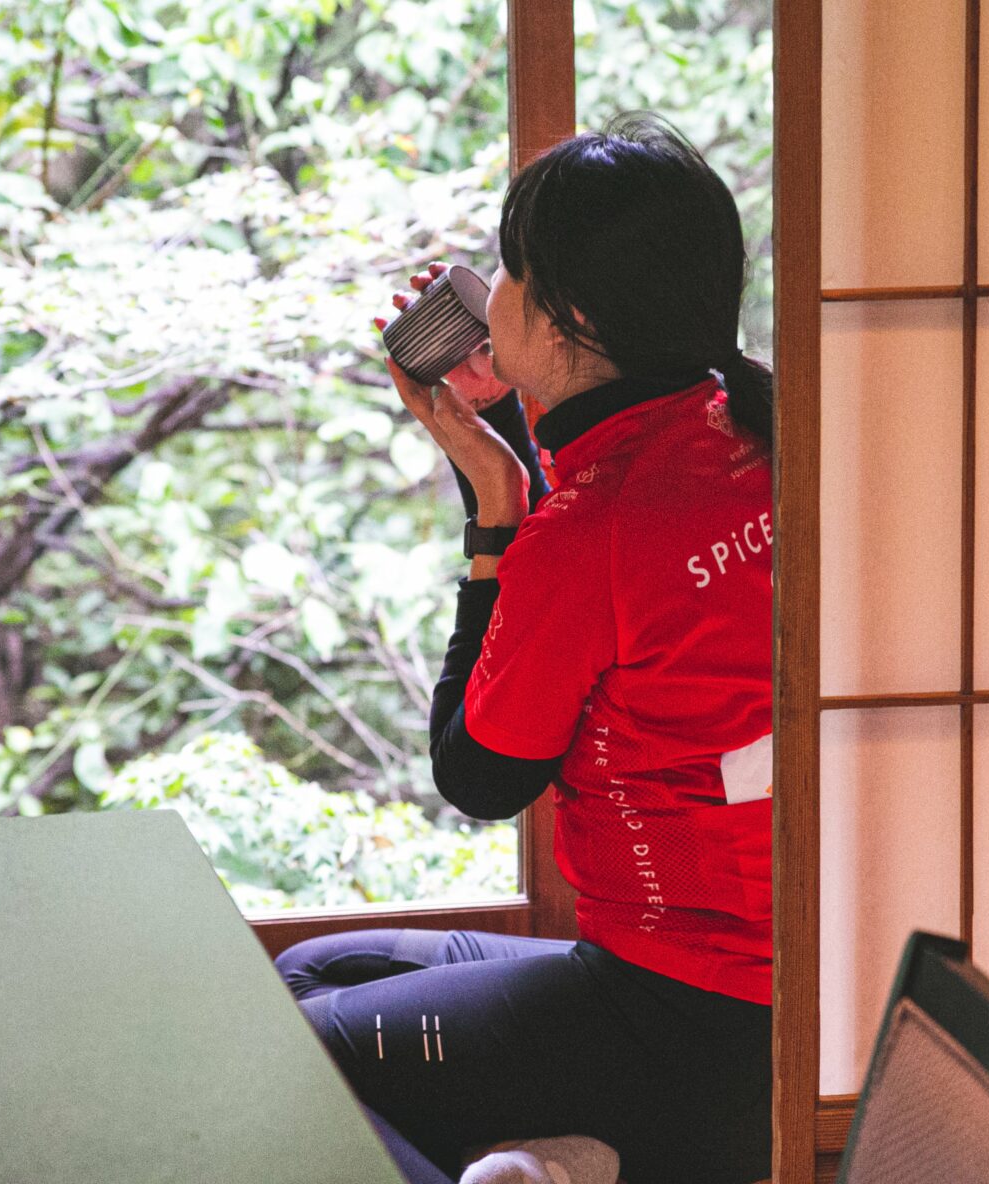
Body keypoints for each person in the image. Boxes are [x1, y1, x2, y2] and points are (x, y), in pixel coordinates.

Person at [274, 112, 774, 1184]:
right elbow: (613, 594)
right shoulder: (744, 421)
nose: (486, 291)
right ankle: (565, 1160)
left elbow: (479, 770)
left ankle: (577, 1158)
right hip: (787, 995)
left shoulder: (593, 520)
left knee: (291, 1052)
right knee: (312, 968)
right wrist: (500, 470)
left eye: (509, 269)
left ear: (572, 318)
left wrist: (497, 512)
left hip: (678, 1016)